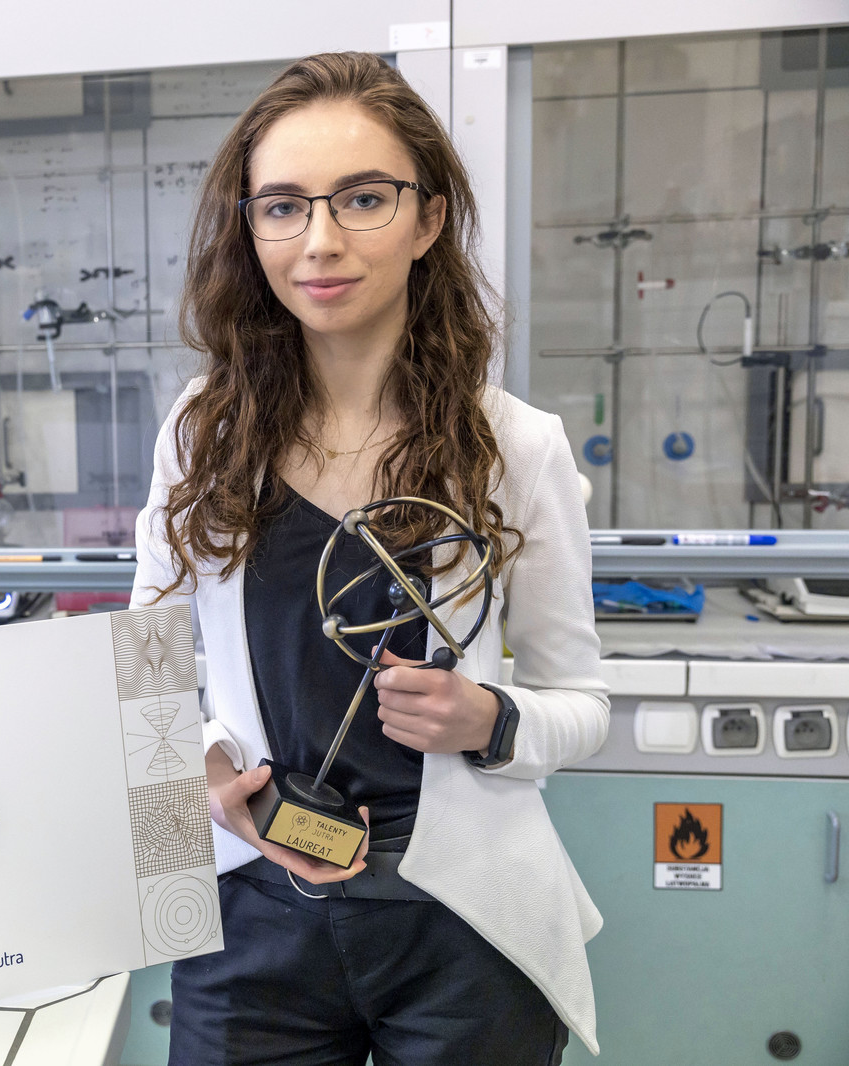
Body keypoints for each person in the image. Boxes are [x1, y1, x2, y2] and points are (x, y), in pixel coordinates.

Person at [130, 52, 610, 1065]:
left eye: (361, 199)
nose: (320, 241)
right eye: (282, 206)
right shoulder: (202, 434)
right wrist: (205, 768)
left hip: (461, 929)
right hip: (252, 910)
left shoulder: (514, 446)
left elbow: (582, 702)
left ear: (428, 219)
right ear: (249, 227)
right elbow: (144, 670)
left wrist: (490, 719)